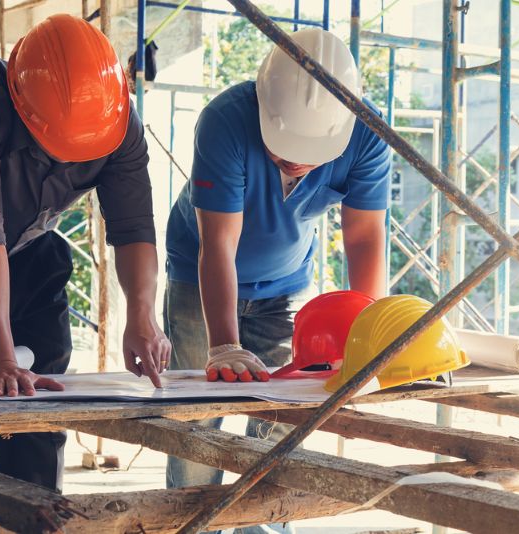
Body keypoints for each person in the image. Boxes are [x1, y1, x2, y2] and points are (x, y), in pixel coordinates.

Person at [0, 14, 171, 492]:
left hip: (28, 247)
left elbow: (134, 229)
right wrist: (1, 359)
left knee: (37, 398)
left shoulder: (117, 117)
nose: (70, 159)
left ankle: (33, 509)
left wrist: (143, 317)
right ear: (23, 103)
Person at [163, 28, 391, 533]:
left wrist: (368, 339)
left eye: (313, 154)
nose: (296, 163)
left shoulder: (370, 133)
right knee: (197, 418)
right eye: (284, 149)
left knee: (279, 419)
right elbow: (217, 244)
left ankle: (264, 527)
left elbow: (364, 238)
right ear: (264, 107)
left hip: (284, 284)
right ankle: (187, 525)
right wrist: (223, 345)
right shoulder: (225, 120)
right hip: (199, 280)